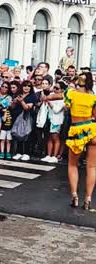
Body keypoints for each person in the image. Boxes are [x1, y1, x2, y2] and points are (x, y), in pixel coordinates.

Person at [45, 73, 96, 210]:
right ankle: (88, 198)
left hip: (77, 130)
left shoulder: (70, 93)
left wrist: (47, 97)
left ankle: (74, 196)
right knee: (91, 167)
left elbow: (53, 97)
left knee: (72, 165)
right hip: (92, 129)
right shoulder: (93, 97)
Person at [39, 81, 65, 164]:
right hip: (50, 119)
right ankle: (49, 155)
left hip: (57, 120)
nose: (54, 90)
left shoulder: (63, 100)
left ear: (62, 90)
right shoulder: (51, 96)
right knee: (49, 138)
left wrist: (49, 102)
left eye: (57, 88)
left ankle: (55, 156)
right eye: (54, 87)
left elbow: (56, 110)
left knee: (55, 138)